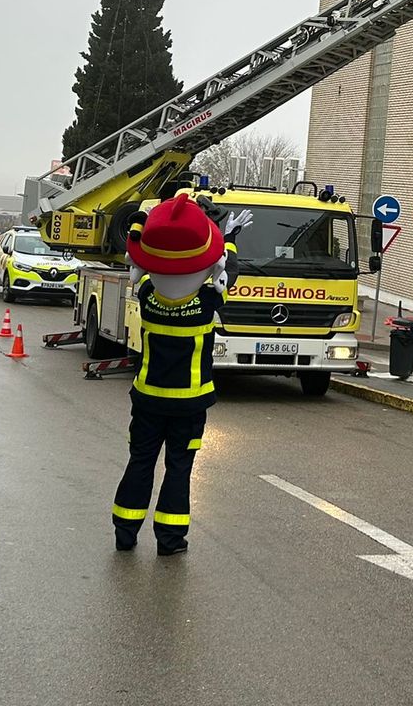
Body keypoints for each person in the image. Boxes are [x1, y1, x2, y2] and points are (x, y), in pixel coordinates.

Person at [110, 192, 249, 555]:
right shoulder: (206, 303)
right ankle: (170, 541)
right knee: (178, 470)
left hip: (147, 401)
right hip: (188, 406)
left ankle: (125, 534)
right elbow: (227, 275)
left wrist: (143, 223)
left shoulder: (148, 298)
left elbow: (138, 268)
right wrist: (229, 239)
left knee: (139, 462)